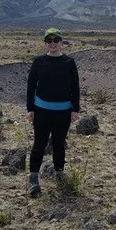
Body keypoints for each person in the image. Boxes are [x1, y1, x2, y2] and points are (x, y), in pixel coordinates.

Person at [26, 28, 80, 197]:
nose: (52, 44)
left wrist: (75, 109)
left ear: (62, 42)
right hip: (41, 111)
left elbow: (75, 87)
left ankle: (59, 173)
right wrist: (30, 109)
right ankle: (33, 178)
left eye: (56, 40)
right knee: (39, 145)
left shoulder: (69, 62)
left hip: (63, 112)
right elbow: (31, 87)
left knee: (59, 144)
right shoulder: (38, 62)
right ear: (45, 43)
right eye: (49, 41)